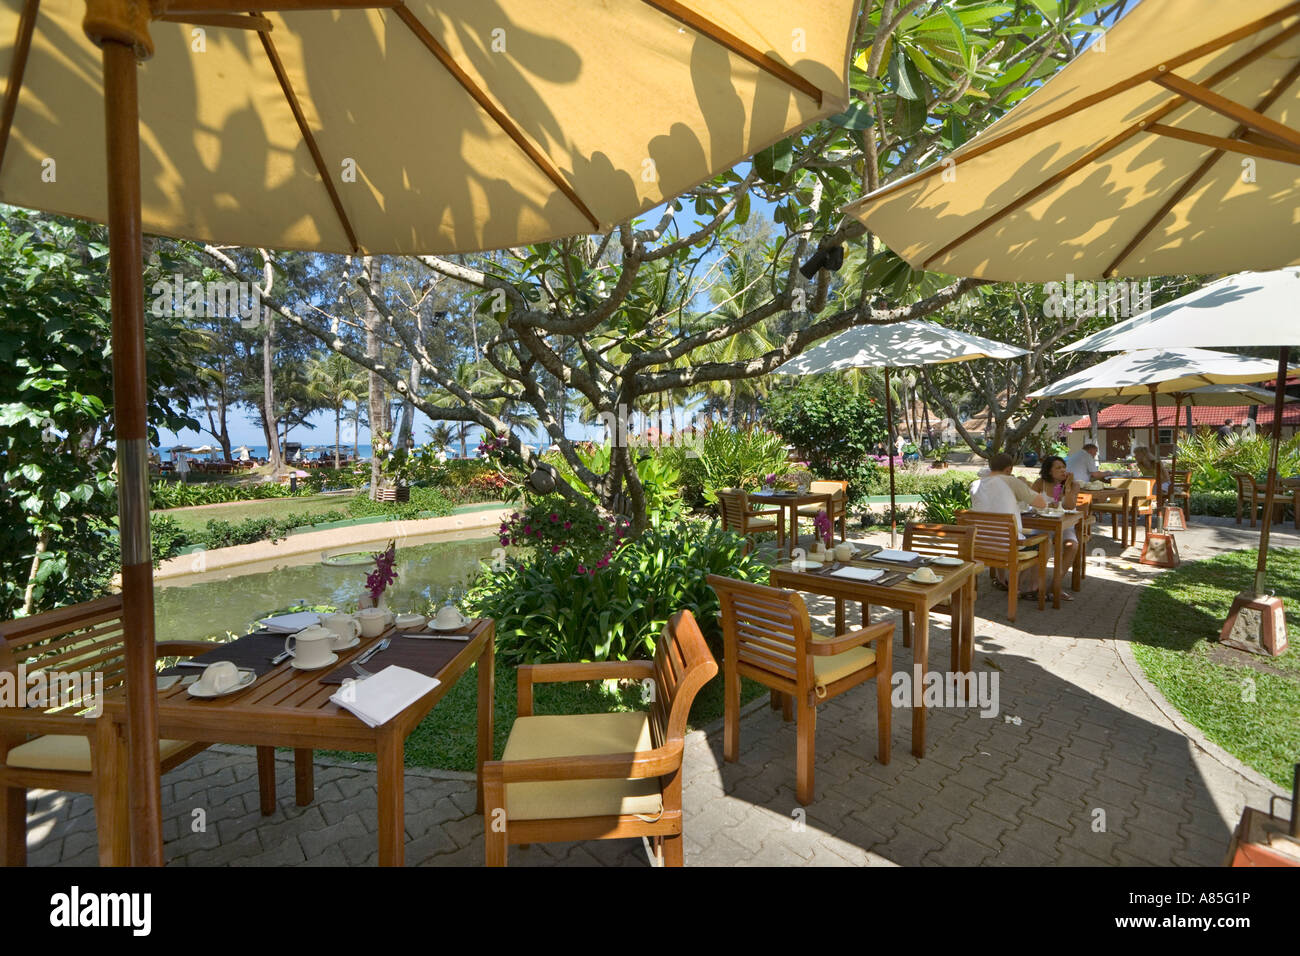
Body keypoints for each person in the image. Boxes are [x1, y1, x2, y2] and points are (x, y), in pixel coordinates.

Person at [972, 453, 1048, 594]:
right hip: (1008, 546)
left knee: (1001, 531)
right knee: (1044, 539)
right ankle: (1029, 587)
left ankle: (1003, 580)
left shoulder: (975, 485)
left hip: (981, 544)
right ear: (1009, 469)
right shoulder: (1010, 481)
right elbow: (1041, 503)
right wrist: (1023, 486)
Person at [1032, 455, 1080, 601]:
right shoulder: (1040, 483)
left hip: (1064, 525)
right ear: (1049, 471)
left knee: (1072, 546)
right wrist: (1043, 505)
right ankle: (1033, 586)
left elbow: (1070, 506)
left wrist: (1068, 486)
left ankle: (1055, 586)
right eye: (1058, 468)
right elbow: (1029, 501)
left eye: (1064, 467)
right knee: (1042, 544)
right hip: (1043, 524)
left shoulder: (1074, 484)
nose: (1062, 470)